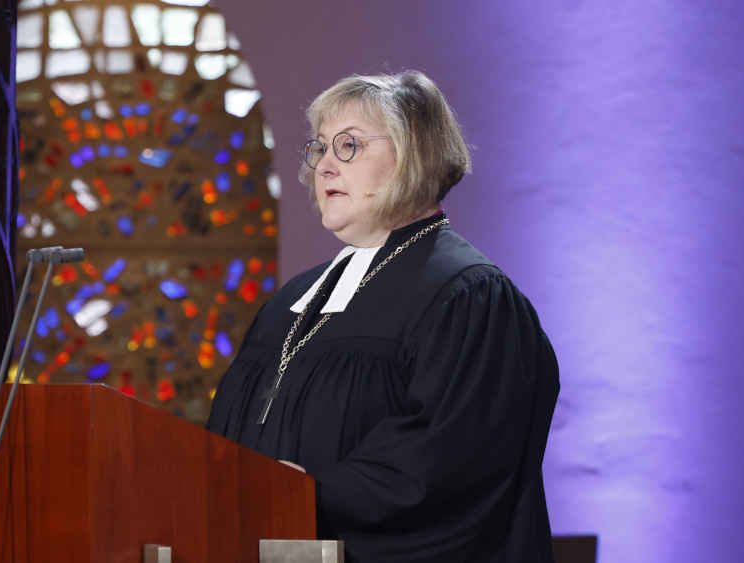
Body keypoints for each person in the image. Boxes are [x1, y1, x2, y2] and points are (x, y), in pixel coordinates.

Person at [207, 70, 559, 562]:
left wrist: (306, 494)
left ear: (413, 154)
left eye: (348, 146)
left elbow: (450, 463)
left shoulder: (470, 297)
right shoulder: (292, 300)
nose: (324, 167)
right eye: (320, 147)